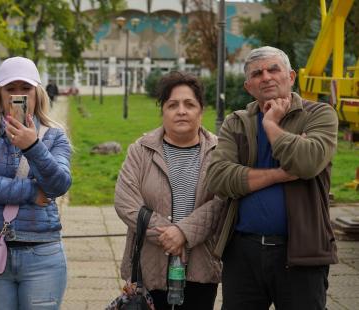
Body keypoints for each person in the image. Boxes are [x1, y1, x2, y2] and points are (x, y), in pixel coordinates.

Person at [206, 46, 338, 309]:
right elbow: (218, 177)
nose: (265, 77)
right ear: (248, 87)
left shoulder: (319, 115)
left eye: (273, 69)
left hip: (301, 253)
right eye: (257, 73)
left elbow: (308, 162)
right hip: (242, 254)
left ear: (291, 77)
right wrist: (280, 173)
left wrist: (270, 125)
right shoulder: (237, 122)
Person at [0, 56, 71, 309]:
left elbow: (59, 184)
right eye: (10, 89)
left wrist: (32, 146)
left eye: (25, 89)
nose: (18, 95)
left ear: (37, 93)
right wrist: (31, 191)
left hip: (42, 253)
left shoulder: (54, 135)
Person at [115, 71, 225, 309]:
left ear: (201, 110)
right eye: (173, 104)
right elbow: (126, 203)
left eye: (189, 104)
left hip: (201, 268)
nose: (181, 111)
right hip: (148, 268)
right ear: (162, 111)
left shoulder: (220, 152)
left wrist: (184, 233)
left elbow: (223, 202)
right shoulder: (141, 151)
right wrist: (168, 236)